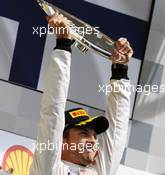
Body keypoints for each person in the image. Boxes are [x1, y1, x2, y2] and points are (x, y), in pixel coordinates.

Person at [30, 13, 133, 175]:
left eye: (94, 135)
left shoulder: (98, 172)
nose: (93, 140)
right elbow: (52, 113)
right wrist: (63, 44)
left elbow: (117, 130)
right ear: (62, 141)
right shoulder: (50, 170)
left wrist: (120, 70)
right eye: (84, 133)